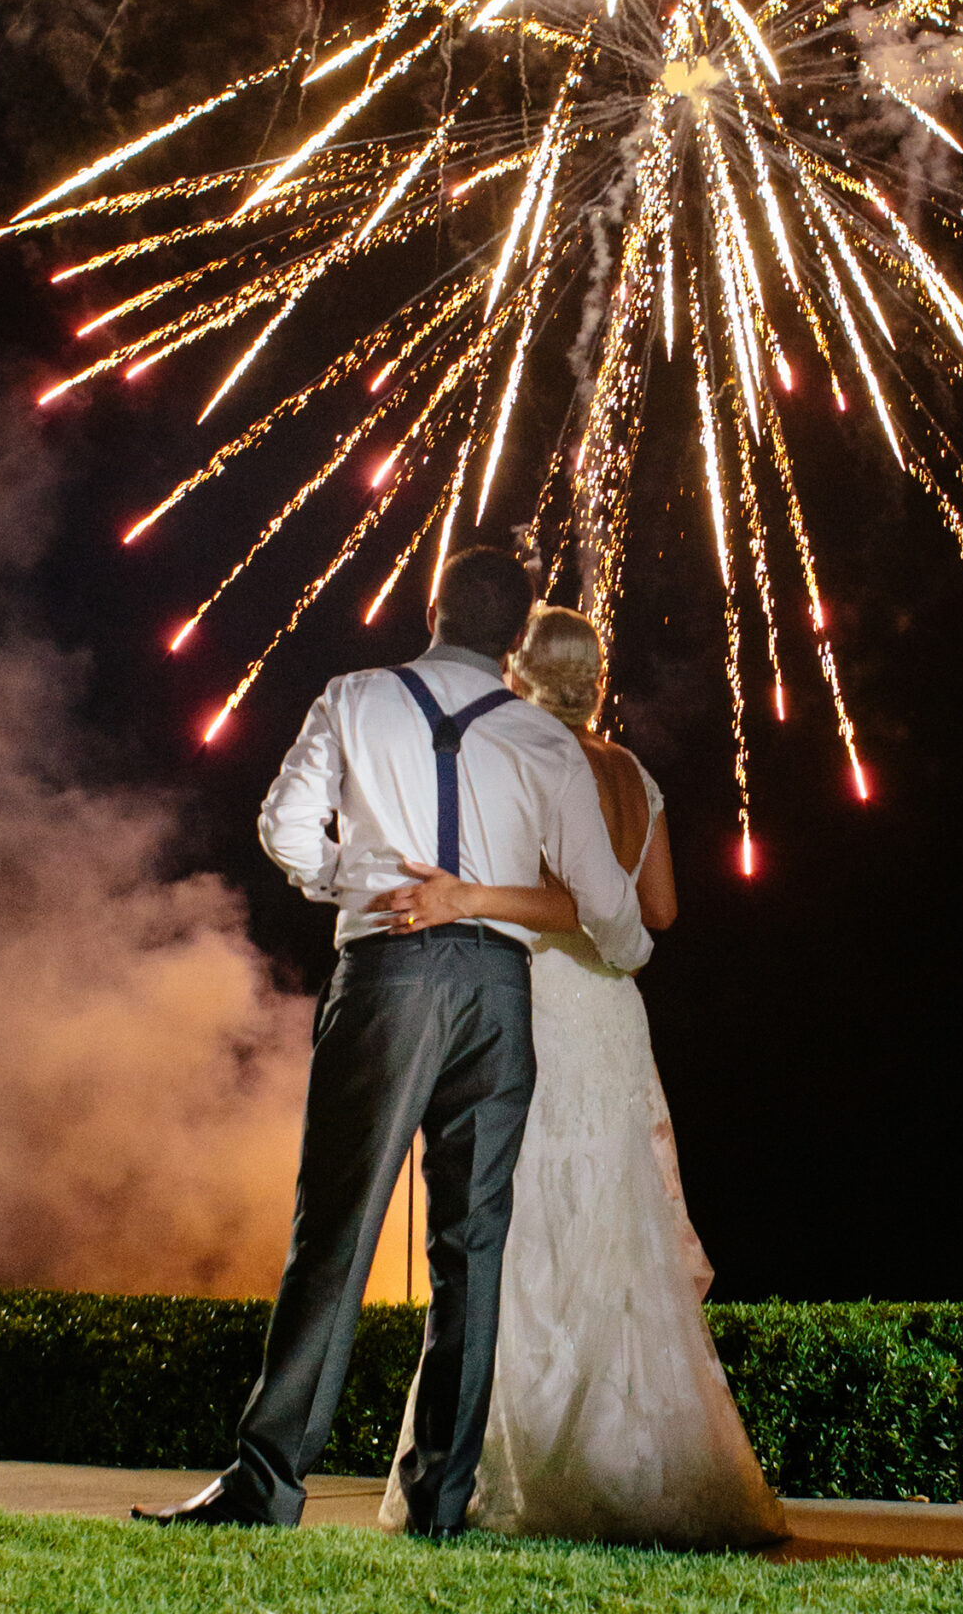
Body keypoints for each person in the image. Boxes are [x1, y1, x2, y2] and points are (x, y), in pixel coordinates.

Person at [134, 549, 649, 1535]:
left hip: (387, 977)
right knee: (473, 1244)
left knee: (337, 1224)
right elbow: (611, 908)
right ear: (514, 641)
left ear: (432, 607)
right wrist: (611, 946)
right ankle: (440, 1503)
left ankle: (268, 1481)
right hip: (499, 990)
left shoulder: (355, 695)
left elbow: (285, 828)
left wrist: (362, 887)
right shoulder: (545, 740)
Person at [374, 605, 786, 1551]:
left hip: (540, 1005)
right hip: (613, 1017)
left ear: (517, 672)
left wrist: (465, 900)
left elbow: (554, 901)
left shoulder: (519, 760)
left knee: (515, 1224)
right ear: (596, 678)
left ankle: (502, 1466)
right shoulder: (633, 773)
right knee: (616, 1223)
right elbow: (662, 911)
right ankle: (642, 1464)